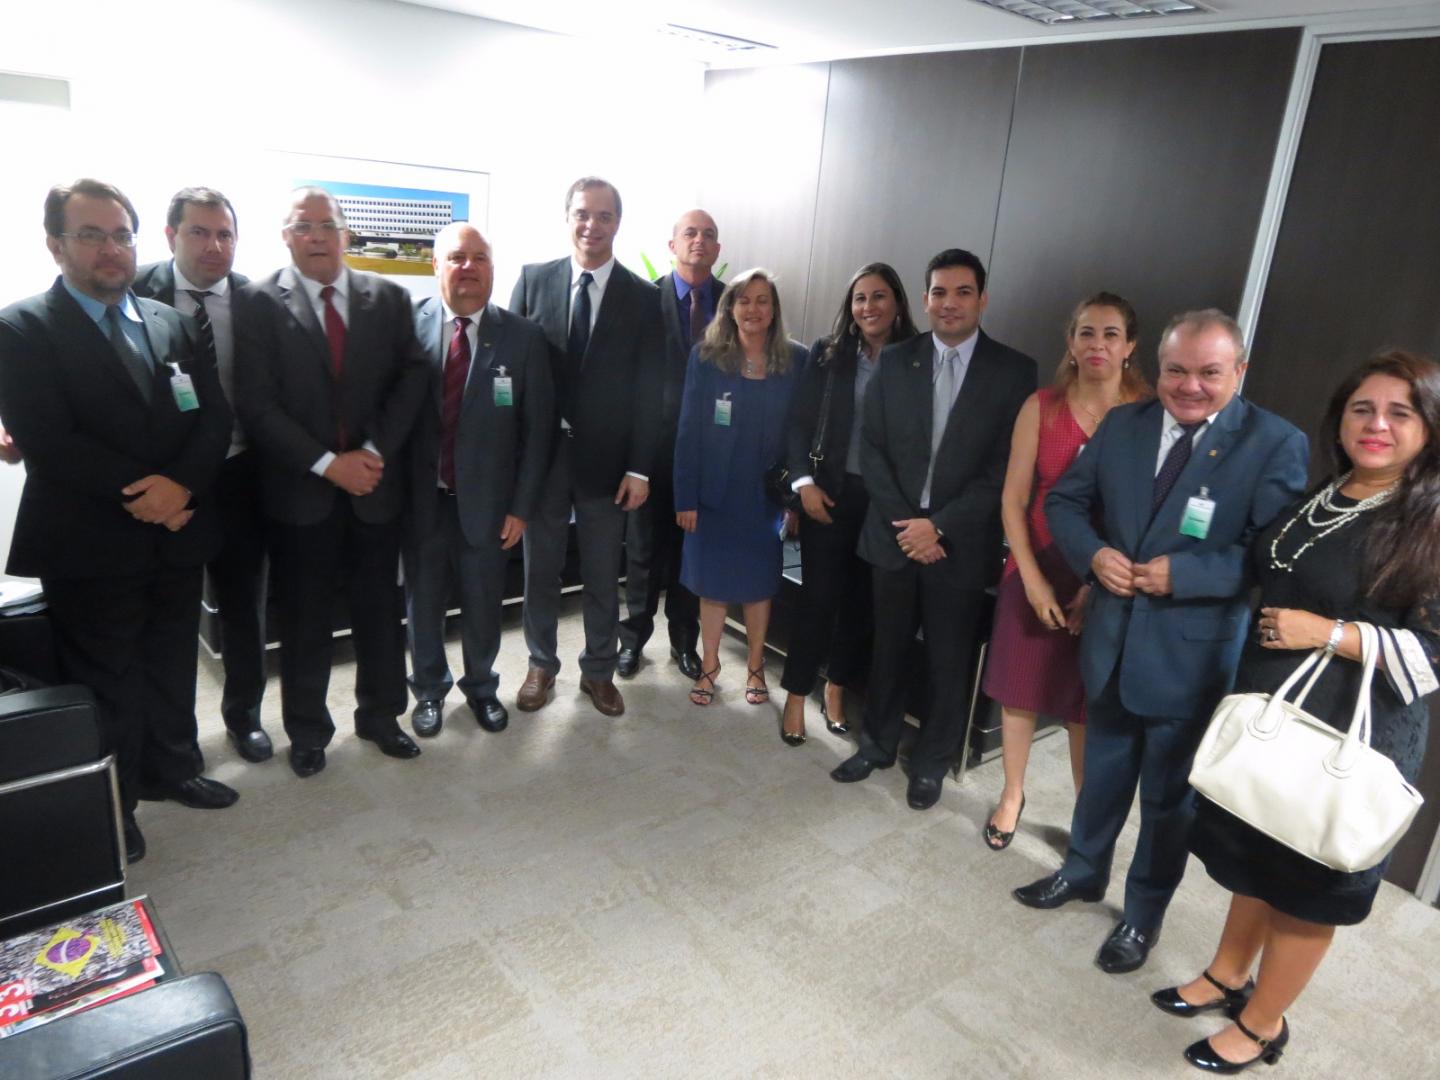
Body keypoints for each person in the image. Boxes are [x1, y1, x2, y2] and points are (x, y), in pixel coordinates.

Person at [1160, 351, 1439, 1073]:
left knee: (1306, 883)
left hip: (1353, 731)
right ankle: (1227, 973)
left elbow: (1433, 655)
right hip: (1275, 710)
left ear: (1430, 427)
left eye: (1400, 413)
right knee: (1257, 852)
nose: (1376, 425)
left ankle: (1263, 1024)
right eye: (1362, 409)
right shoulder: (1334, 489)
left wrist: (1329, 634)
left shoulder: (1428, 520)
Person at [1014, 309, 1309, 975]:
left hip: (1190, 657)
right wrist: (1093, 556)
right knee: (1102, 775)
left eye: (1209, 372)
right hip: (1111, 641)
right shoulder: (1126, 422)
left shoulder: (1274, 443)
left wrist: (1189, 574)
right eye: (1177, 370)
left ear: (1239, 371)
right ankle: (1083, 871)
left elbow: (1273, 556)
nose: (1190, 386)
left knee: (1167, 801)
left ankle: (1142, 916)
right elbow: (1064, 503)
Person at [0, 179, 234, 861]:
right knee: (108, 679)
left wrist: (181, 488)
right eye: (91, 235)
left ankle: (173, 769)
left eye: (121, 235)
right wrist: (151, 494)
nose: (111, 249)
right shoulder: (21, 329)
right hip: (91, 542)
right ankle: (118, 800)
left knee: (171, 661)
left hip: (178, 531)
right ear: (56, 245)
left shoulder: (170, 322)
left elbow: (212, 416)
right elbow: (51, 441)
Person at [830, 248, 1037, 809]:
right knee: (888, 649)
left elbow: (1005, 468)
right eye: (939, 292)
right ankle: (877, 744)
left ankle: (931, 763)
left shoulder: (1014, 372)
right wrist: (910, 524)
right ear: (924, 300)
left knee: (948, 658)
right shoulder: (898, 360)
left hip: (959, 545)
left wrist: (938, 526)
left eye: (963, 292)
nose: (950, 303)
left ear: (982, 299)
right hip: (894, 534)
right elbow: (872, 449)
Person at [234, 186, 429, 778]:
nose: (316, 236)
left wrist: (371, 452)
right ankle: (308, 731)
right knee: (304, 620)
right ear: (285, 235)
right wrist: (326, 463)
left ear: (345, 233)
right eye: (303, 226)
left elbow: (412, 379)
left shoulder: (388, 297)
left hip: (374, 487)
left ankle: (381, 717)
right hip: (301, 493)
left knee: (379, 611)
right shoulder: (257, 302)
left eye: (326, 225)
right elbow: (257, 403)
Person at [981, 292, 1150, 848]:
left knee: (1085, 702)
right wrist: (1030, 580)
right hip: (1035, 562)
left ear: (1129, 346)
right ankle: (1012, 795)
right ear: (1071, 343)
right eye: (1086, 333)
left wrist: (1096, 586)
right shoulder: (1041, 407)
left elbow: (1148, 511)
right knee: (1020, 688)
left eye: (1110, 334)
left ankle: (1085, 812)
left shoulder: (1148, 414)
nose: (1097, 344)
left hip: (1108, 575)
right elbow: (1013, 501)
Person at [508, 177, 664, 718]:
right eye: (582, 213)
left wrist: (640, 468)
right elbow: (512, 375)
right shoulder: (533, 281)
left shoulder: (644, 298)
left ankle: (598, 670)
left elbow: (651, 390)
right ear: (567, 217)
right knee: (540, 572)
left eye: (603, 216)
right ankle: (540, 663)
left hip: (608, 466)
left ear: (617, 222)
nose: (591, 225)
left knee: (601, 575)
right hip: (543, 462)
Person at [133, 187, 273, 766]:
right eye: (199, 232)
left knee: (244, 609)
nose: (215, 246)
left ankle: (245, 718)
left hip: (242, 476)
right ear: (171, 236)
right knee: (171, 616)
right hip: (168, 483)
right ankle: (175, 739)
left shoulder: (259, 300)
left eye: (225, 234)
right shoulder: (132, 291)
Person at [403, 222, 553, 738]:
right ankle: (428, 691)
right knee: (423, 605)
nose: (468, 267)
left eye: (480, 258)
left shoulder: (523, 338)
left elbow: (538, 432)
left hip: (490, 505)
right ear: (436, 265)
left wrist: (522, 507)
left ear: (492, 268)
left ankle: (482, 688)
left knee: (484, 604)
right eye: (457, 257)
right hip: (422, 502)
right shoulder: (407, 327)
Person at [779, 263, 919, 745]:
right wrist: (803, 484)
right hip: (829, 495)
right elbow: (798, 423)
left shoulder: (918, 359)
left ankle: (835, 688)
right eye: (860, 298)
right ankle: (796, 694)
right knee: (817, 601)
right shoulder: (829, 352)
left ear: (897, 302)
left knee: (861, 606)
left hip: (885, 505)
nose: (868, 307)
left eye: (879, 296)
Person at [673, 268, 805, 710]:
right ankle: (710, 665)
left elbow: (801, 434)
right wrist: (685, 497)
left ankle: (755, 666)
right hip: (713, 493)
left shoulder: (795, 360)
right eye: (744, 300)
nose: (753, 309)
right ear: (730, 308)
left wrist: (796, 499)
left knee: (758, 584)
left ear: (774, 309)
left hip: (765, 495)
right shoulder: (707, 357)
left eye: (762, 300)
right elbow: (688, 430)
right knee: (711, 583)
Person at [617, 209, 722, 681]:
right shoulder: (645, 299)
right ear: (672, 245)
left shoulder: (732, 303)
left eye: (708, 235)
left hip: (707, 456)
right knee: (642, 554)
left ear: (717, 249)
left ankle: (684, 641)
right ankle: (632, 641)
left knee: (691, 554)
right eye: (690, 233)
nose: (699, 240)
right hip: (652, 453)